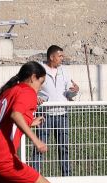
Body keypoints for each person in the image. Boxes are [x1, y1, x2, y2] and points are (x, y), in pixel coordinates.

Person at [32, 45, 79, 176]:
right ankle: (34, 176)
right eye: (60, 56)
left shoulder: (64, 70)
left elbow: (68, 93)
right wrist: (35, 97)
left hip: (62, 114)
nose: (62, 58)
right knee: (39, 146)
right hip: (44, 115)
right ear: (52, 57)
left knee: (64, 147)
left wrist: (74, 91)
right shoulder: (38, 70)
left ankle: (67, 177)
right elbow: (29, 88)